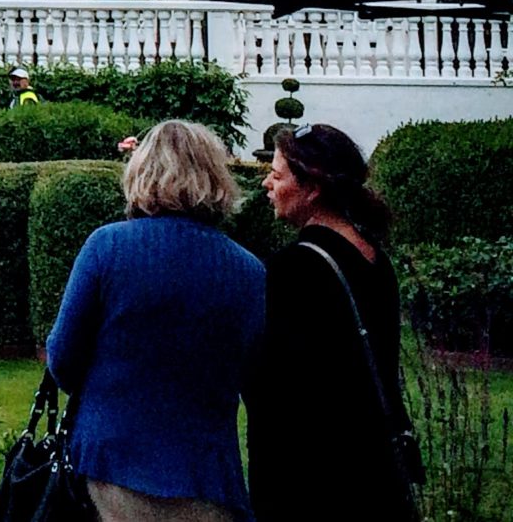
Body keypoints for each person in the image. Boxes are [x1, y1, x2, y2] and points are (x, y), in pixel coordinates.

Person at [46, 121, 264, 522]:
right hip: (208, 478)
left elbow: (62, 363)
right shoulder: (249, 271)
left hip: (111, 466)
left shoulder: (107, 247)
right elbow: (254, 377)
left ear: (141, 172)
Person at [248, 124, 414, 522]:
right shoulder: (373, 254)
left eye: (277, 173)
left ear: (312, 187)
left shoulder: (295, 269)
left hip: (311, 476)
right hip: (373, 464)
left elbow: (273, 379)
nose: (267, 183)